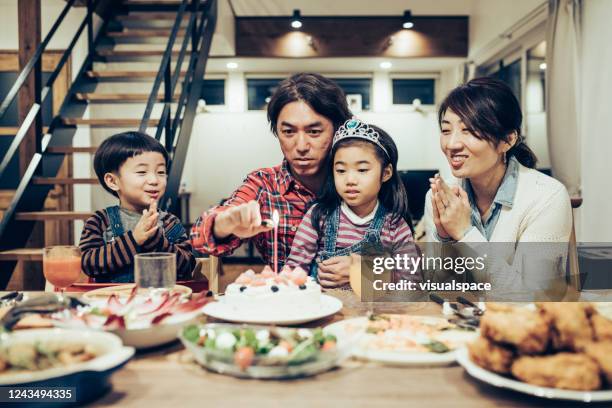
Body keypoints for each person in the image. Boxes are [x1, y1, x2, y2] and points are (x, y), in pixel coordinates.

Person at [190, 73, 351, 272]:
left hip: (363, 301)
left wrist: (362, 270)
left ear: (337, 130)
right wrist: (225, 223)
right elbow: (199, 238)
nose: (301, 146)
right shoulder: (264, 185)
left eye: (314, 132)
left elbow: (399, 266)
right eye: (289, 132)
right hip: (286, 299)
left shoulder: (361, 182)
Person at [423, 77, 572, 292]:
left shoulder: (547, 197)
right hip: (459, 323)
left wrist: (465, 234)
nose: (452, 144)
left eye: (469, 130)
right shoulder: (441, 196)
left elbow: (530, 297)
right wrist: (444, 238)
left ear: (508, 140)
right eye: (446, 131)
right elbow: (438, 289)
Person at [286, 118, 419, 287]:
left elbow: (412, 281)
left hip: (373, 312)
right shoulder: (319, 216)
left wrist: (361, 271)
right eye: (341, 170)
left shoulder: (394, 226)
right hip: (324, 308)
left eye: (362, 170)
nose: (350, 180)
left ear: (386, 173)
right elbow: (294, 270)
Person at [79, 131, 195, 282]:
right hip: (112, 301)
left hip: (161, 300)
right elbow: (88, 263)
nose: (154, 180)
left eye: (161, 172)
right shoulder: (100, 221)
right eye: (142, 172)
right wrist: (134, 240)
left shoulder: (170, 223)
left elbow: (187, 266)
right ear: (113, 181)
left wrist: (158, 241)